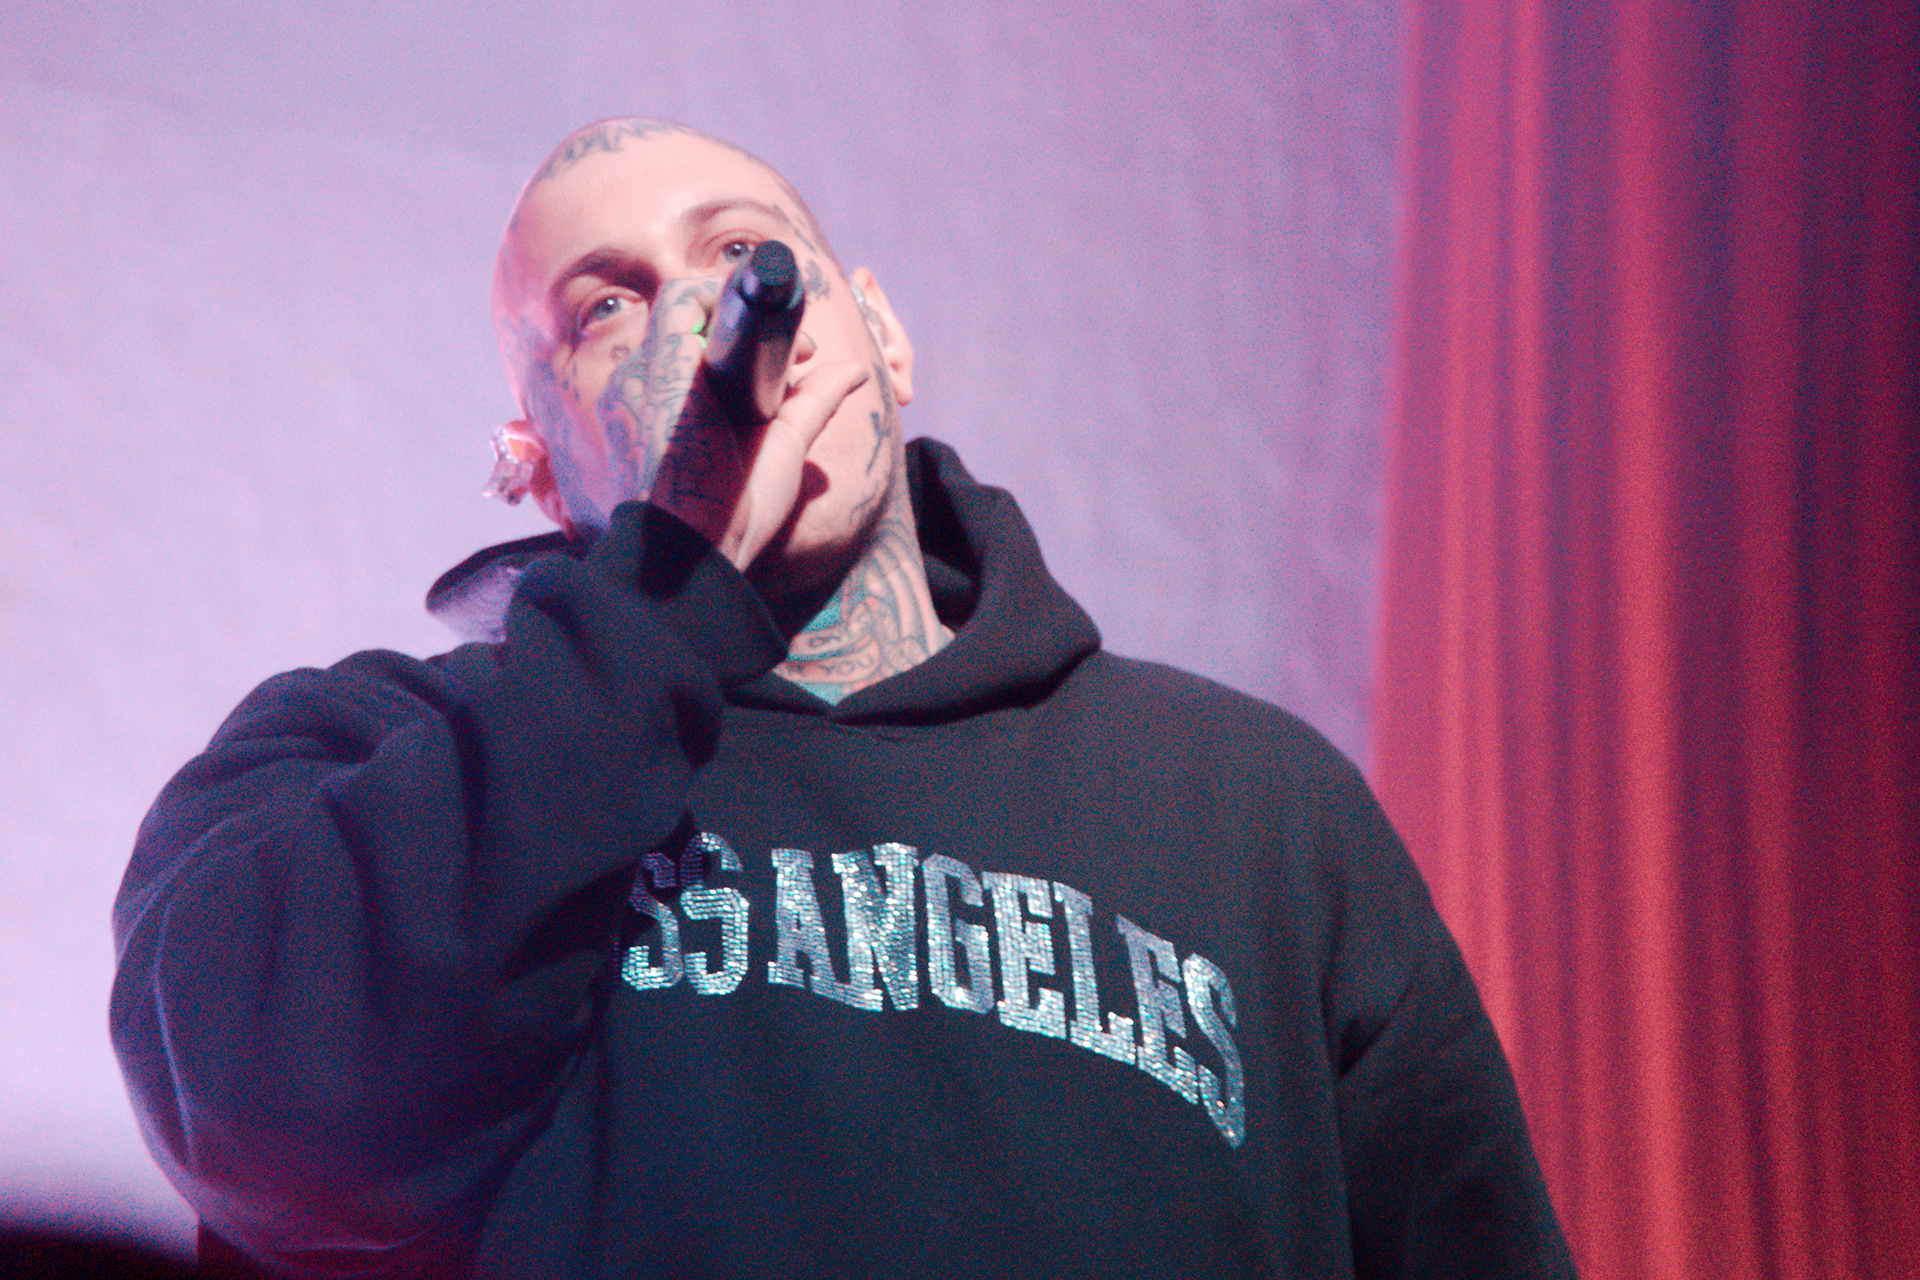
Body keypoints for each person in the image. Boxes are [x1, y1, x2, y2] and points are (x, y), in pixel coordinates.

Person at [112, 119, 1577, 1279]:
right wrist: (664, 587)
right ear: (539, 465)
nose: (708, 315)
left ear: (879, 332)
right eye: (608, 306)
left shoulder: (1252, 809)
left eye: (747, 252)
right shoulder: (361, 757)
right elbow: (257, 1120)